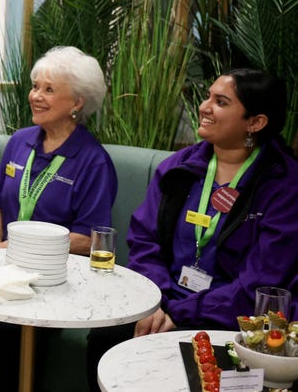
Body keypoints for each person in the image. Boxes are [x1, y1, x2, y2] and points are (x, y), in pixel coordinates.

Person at [86, 68, 298, 391]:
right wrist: (155, 301)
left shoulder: (284, 185)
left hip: (231, 319)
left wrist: (180, 313)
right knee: (105, 339)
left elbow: (260, 283)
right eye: (208, 96)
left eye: (221, 102)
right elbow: (144, 241)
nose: (204, 107)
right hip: (164, 300)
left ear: (255, 122)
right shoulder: (178, 169)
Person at [0, 45, 117, 391]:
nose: (35, 96)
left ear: (77, 102)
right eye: (35, 86)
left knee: (7, 335)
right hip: (4, 271)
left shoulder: (93, 161)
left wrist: (24, 249)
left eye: (49, 89)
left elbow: (88, 238)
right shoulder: (20, 141)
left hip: (54, 280)